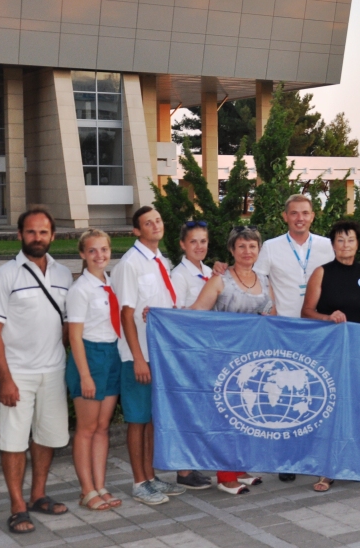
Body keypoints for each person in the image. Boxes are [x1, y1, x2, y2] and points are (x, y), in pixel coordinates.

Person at [0, 208, 72, 533]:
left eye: (43, 232)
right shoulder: (4, 275)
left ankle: (37, 496)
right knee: (14, 441)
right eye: (31, 232)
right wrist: (5, 378)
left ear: (53, 236)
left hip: (54, 370)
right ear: (20, 234)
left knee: (47, 437)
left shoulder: (64, 274)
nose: (38, 237)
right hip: (18, 373)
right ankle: (17, 507)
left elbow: (68, 325)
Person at [253, 193, 334, 482]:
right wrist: (271, 310)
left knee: (315, 393)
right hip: (284, 331)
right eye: (294, 213)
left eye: (305, 213)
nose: (300, 218)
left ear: (313, 216)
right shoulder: (271, 247)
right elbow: (258, 281)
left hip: (319, 331)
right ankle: (286, 458)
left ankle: (313, 454)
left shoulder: (327, 245)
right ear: (285, 216)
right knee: (284, 395)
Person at [191, 226, 274, 494]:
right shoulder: (220, 280)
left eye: (252, 246)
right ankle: (225, 476)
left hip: (254, 360)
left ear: (258, 249)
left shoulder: (265, 280)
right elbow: (196, 313)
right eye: (241, 246)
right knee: (226, 416)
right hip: (224, 358)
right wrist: (161, 315)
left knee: (247, 413)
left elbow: (272, 315)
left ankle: (240, 467)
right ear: (231, 249)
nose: (247, 251)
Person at [112, 206, 185, 505]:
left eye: (158, 220)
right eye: (147, 223)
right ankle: (139, 482)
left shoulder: (160, 260)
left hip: (160, 353)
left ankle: (151, 476)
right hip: (138, 355)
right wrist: (138, 358)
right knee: (137, 419)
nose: (155, 225)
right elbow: (125, 314)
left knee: (152, 418)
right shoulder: (130, 264)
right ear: (136, 231)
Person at [302, 220, 360, 491]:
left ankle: (356, 463)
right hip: (330, 353)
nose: (345, 245)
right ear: (333, 244)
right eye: (340, 240)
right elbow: (306, 312)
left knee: (358, 408)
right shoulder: (321, 272)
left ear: (358, 244)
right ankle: (326, 470)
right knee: (329, 409)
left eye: (350, 240)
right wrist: (327, 317)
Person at [66, 230, 124, 512]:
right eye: (92, 250)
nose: (99, 255)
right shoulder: (81, 289)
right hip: (89, 357)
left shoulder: (109, 284)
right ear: (82, 254)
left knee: (102, 427)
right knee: (87, 428)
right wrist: (85, 375)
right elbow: (74, 336)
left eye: (103, 249)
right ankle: (86, 489)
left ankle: (100, 486)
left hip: (111, 354)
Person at [168, 220, 214, 491]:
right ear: (183, 245)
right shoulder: (179, 276)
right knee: (186, 409)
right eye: (193, 241)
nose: (199, 246)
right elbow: (176, 314)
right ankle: (183, 470)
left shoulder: (209, 272)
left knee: (199, 408)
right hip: (188, 350)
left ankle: (193, 463)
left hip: (206, 349)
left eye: (203, 241)